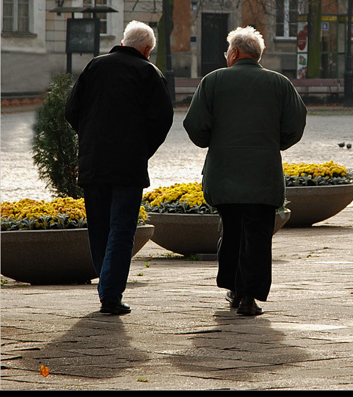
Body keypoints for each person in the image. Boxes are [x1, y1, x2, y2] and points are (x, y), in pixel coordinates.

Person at [183, 25, 307, 316]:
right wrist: (273, 144)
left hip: (224, 173)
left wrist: (212, 141)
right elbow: (295, 125)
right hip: (263, 175)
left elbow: (195, 125)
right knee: (258, 236)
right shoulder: (279, 84)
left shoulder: (212, 81)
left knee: (232, 231)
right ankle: (250, 297)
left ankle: (234, 290)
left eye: (228, 51)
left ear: (235, 52)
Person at [65, 20, 173, 315]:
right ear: (147, 49)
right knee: (122, 230)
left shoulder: (95, 66)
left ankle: (106, 286)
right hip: (128, 167)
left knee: (99, 228)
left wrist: (90, 139)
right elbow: (162, 120)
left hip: (93, 163)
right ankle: (110, 293)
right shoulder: (149, 72)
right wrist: (142, 150)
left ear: (123, 41)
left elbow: (71, 110)